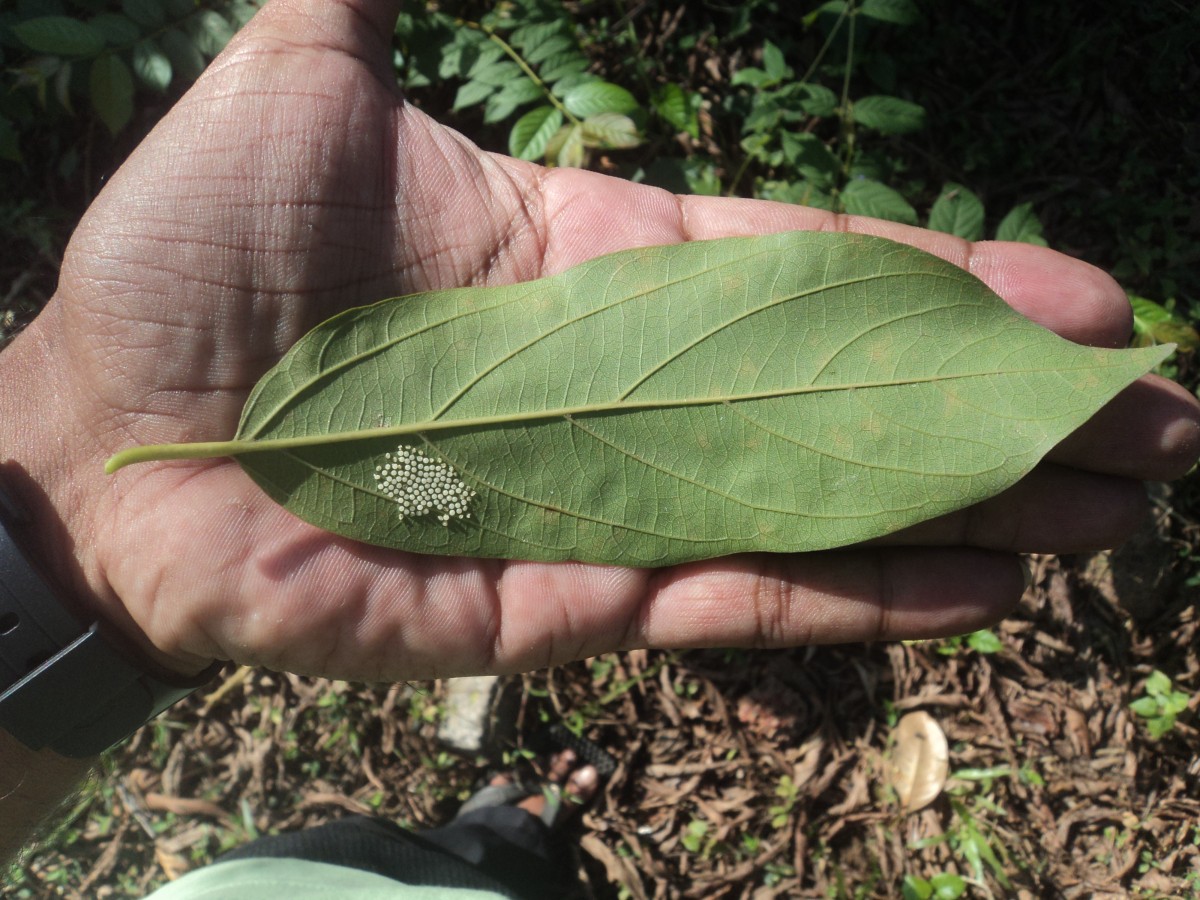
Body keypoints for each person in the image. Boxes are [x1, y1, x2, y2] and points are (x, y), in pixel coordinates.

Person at [0, 0, 1196, 894]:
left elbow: (471, 469)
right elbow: (466, 473)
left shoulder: (343, 457)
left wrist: (68, 530)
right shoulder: (344, 458)